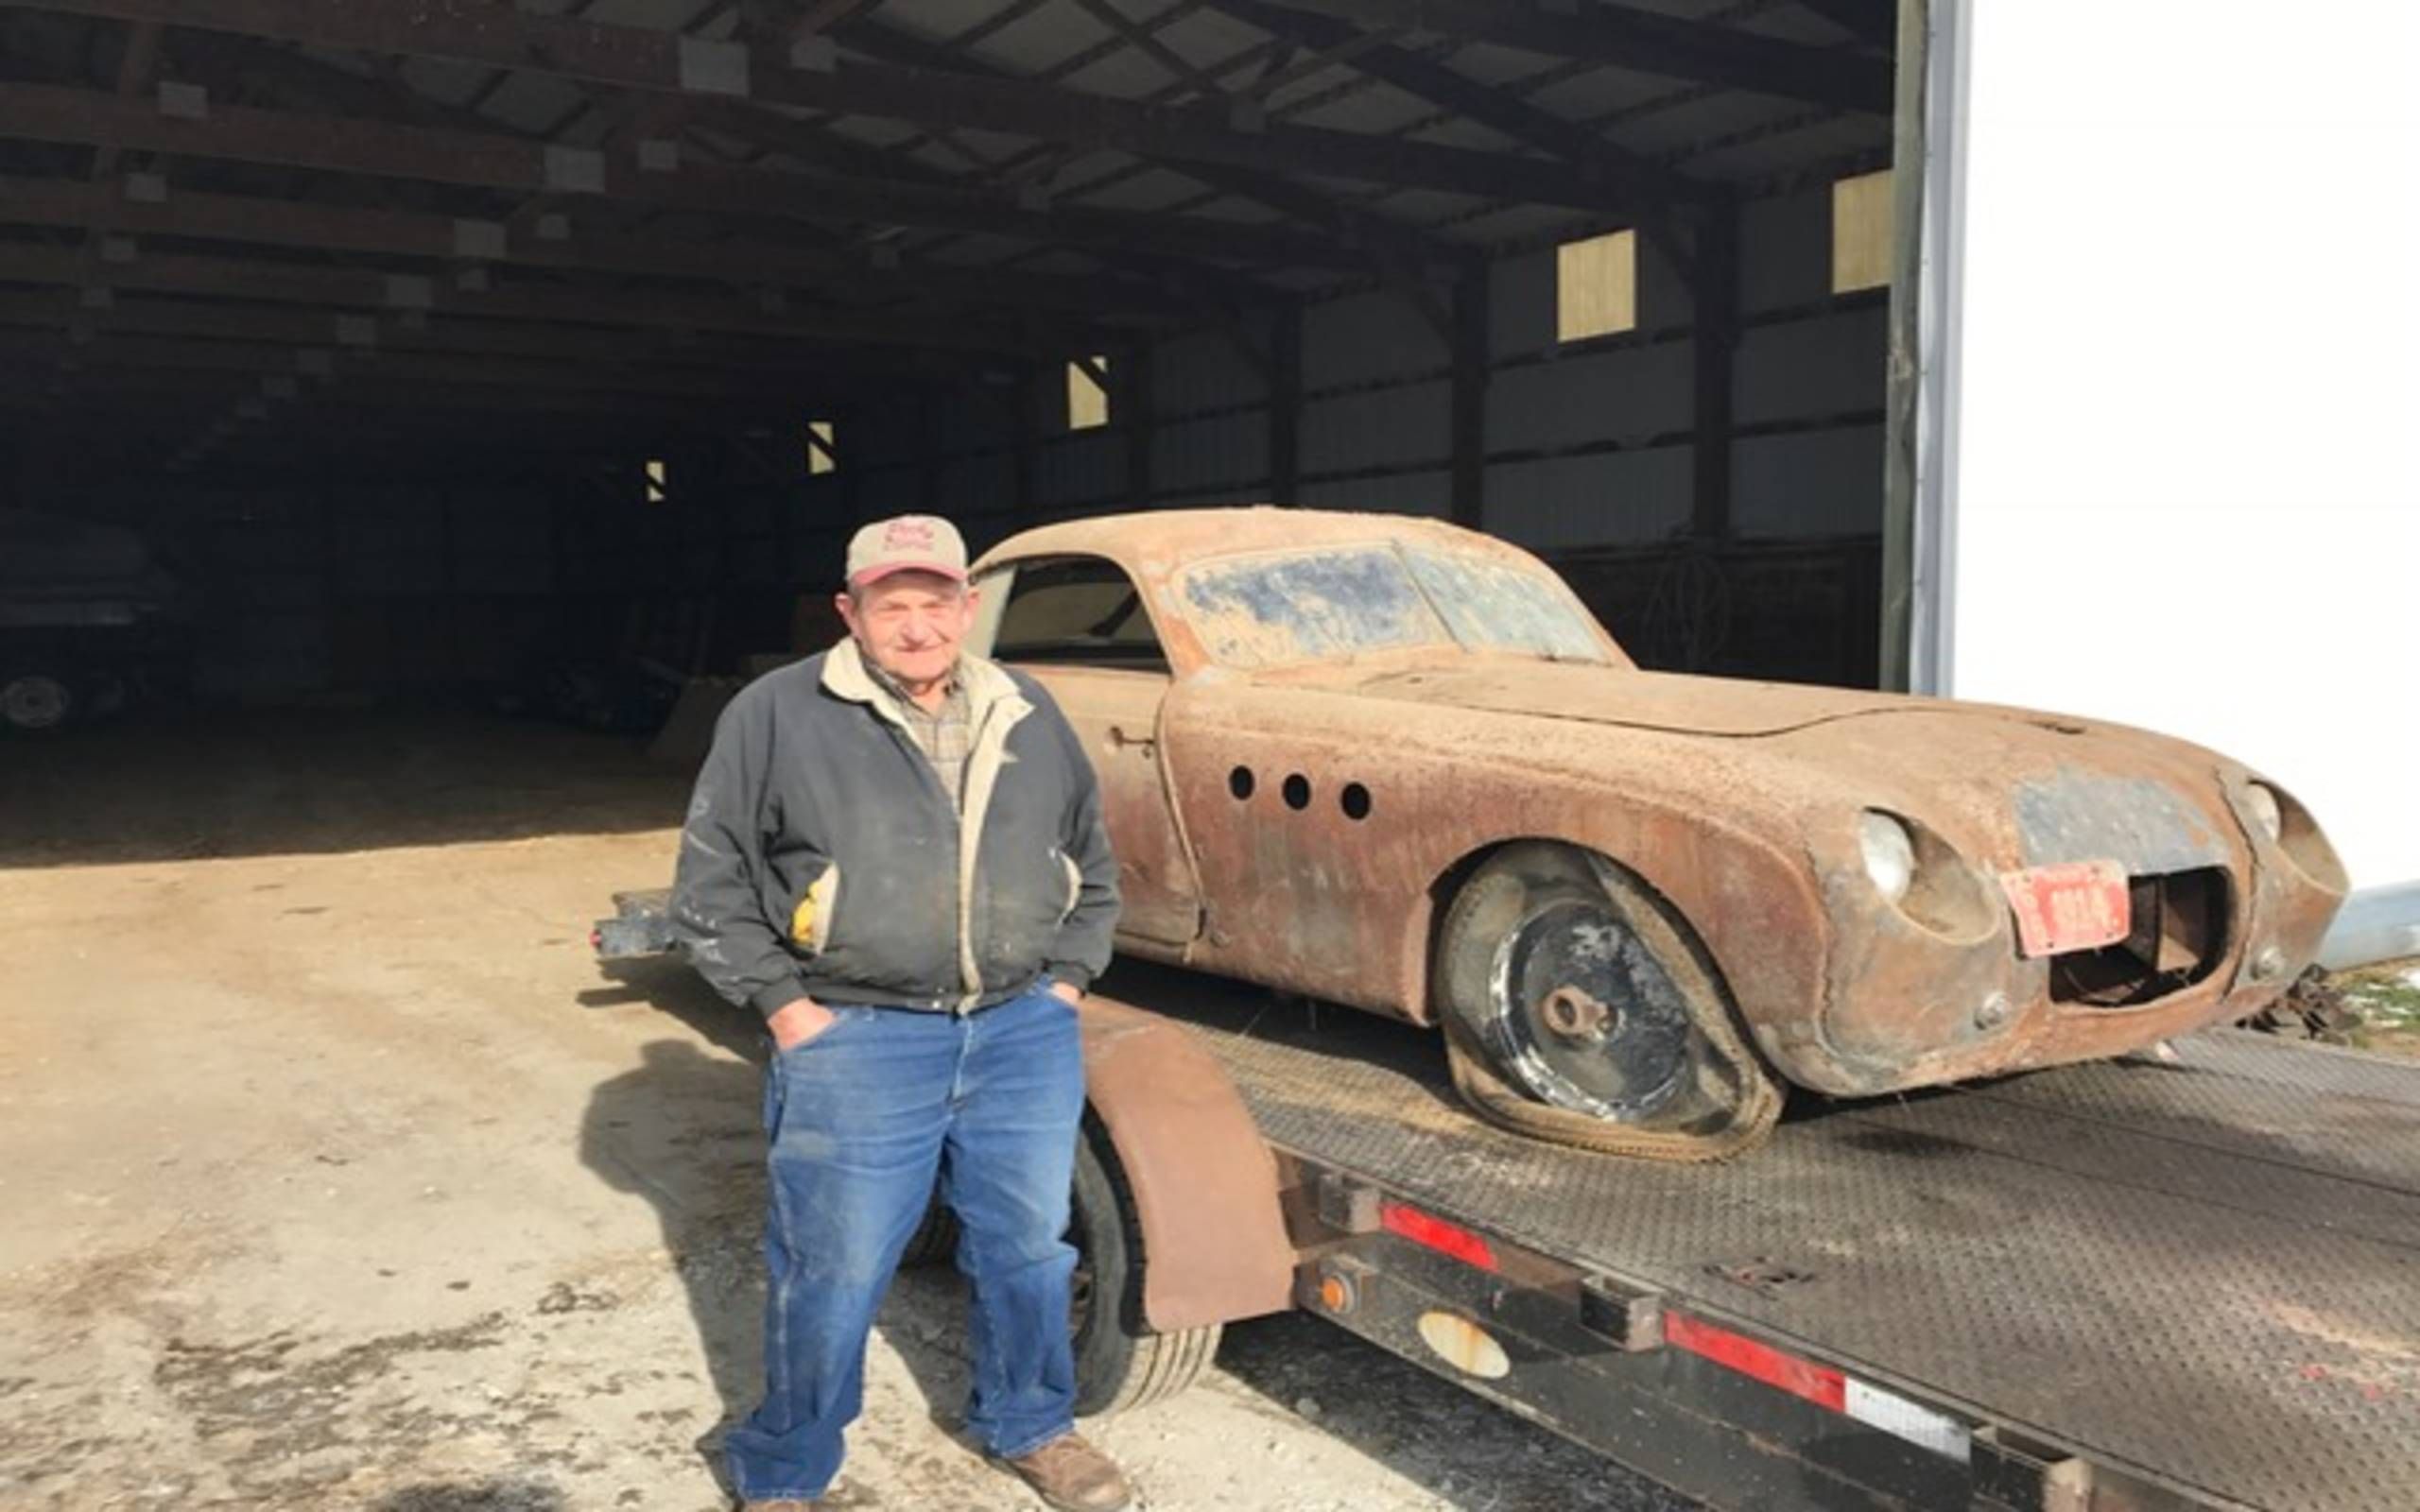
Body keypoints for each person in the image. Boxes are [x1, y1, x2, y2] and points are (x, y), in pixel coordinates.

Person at [669, 513, 1129, 1512]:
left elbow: (1092, 864)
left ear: (968, 606)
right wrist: (787, 1009)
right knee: (830, 1267)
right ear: (851, 612)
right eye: (893, 606)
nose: (917, 626)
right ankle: (786, 1465)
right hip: (857, 1037)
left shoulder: (1028, 708)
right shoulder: (776, 712)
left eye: (935, 603)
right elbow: (709, 888)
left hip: (1019, 1030)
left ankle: (1032, 1424)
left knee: (1026, 1247)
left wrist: (1066, 981)